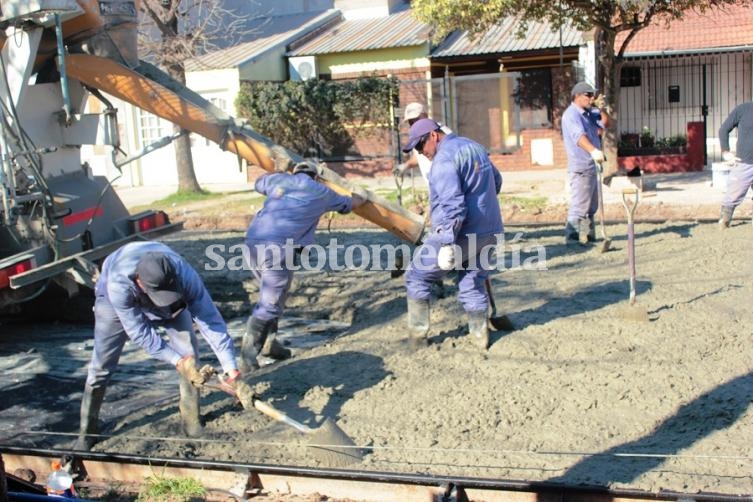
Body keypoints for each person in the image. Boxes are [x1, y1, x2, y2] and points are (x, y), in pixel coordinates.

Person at [74, 241, 245, 450]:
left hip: (169, 288)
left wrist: (231, 369)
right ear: (139, 282)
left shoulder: (183, 274)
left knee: (189, 352)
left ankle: (191, 420)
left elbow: (210, 320)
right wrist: (177, 361)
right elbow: (140, 333)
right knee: (102, 364)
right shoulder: (119, 286)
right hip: (113, 301)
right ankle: (87, 431)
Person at [241, 161, 365, 372]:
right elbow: (354, 202)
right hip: (279, 248)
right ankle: (247, 359)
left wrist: (279, 171)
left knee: (272, 294)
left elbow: (259, 182)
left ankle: (270, 343)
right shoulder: (321, 191)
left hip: (252, 242)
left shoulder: (279, 180)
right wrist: (352, 189)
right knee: (270, 302)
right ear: (315, 176)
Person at [401, 118, 503, 350]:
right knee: (472, 282)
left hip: (460, 235)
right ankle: (480, 338)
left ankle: (417, 339)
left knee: (416, 276)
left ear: (434, 136)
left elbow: (454, 206)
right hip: (490, 231)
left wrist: (446, 241)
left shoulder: (443, 161)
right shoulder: (474, 146)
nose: (420, 152)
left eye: (420, 146)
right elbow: (496, 181)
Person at [561, 81, 610, 245]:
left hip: (592, 165)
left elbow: (605, 124)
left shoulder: (588, 113)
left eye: (593, 95)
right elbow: (579, 138)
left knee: (591, 206)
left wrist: (602, 108)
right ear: (577, 96)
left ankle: (589, 237)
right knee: (580, 205)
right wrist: (593, 151)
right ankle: (572, 239)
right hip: (581, 166)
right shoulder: (571, 115)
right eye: (588, 95)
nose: (592, 98)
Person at [392, 102, 453, 182]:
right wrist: (406, 166)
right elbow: (419, 157)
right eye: (411, 121)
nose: (414, 123)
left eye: (416, 119)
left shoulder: (442, 132)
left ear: (425, 115)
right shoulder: (416, 136)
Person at [718, 101, 753, 228]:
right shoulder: (743, 109)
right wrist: (725, 152)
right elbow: (723, 129)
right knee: (732, 197)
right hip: (744, 163)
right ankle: (724, 221)